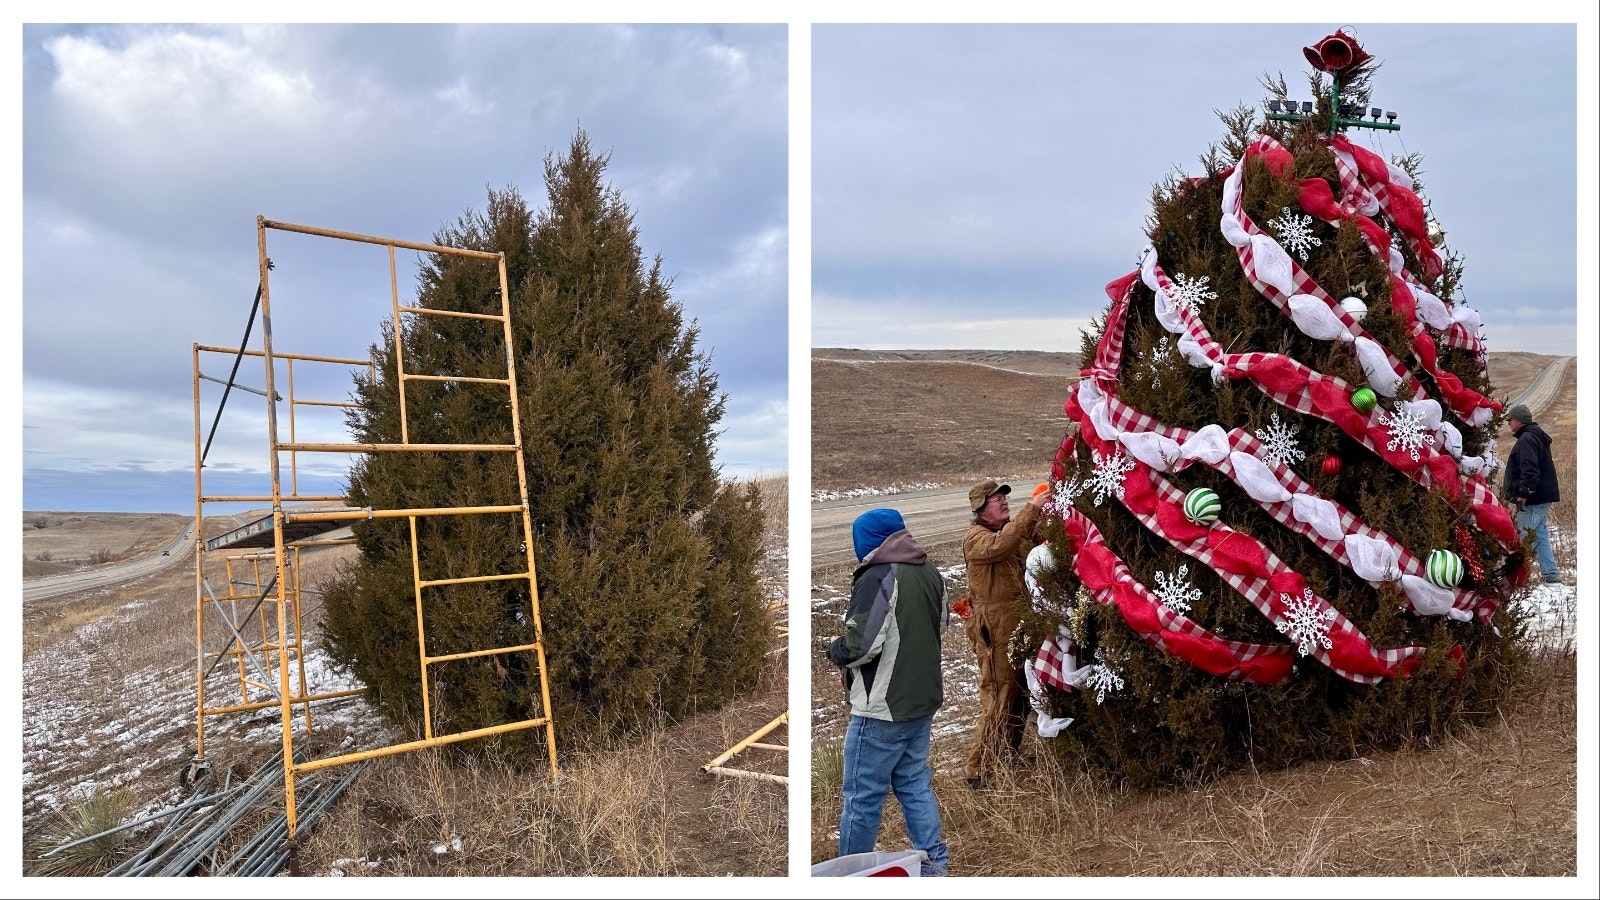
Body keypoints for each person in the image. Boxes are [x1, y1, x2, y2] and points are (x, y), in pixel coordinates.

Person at [826, 507, 950, 877]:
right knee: (913, 783)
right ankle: (933, 867)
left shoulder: (877, 575)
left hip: (881, 708)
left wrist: (836, 651)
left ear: (870, 541)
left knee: (862, 799)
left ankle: (848, 875)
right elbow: (939, 626)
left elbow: (860, 645)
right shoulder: (930, 571)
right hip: (921, 701)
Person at [961, 478, 1045, 788]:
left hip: (1017, 621)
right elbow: (1003, 545)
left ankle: (1008, 752)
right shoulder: (977, 538)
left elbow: (1034, 539)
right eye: (996, 499)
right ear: (980, 510)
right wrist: (1031, 509)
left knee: (1021, 691)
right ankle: (978, 769)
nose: (1004, 502)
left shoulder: (1011, 531)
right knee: (998, 693)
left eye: (1004, 498)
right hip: (994, 627)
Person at [1503, 403, 1561, 584]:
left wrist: (1524, 492)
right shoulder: (1534, 436)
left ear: (1519, 421)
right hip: (1541, 497)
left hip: (1533, 499)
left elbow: (1530, 469)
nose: (1508, 423)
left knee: (1521, 537)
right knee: (1539, 535)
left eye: (1510, 420)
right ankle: (1551, 574)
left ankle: (1514, 578)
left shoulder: (1527, 439)